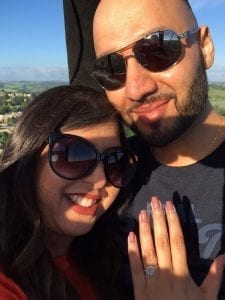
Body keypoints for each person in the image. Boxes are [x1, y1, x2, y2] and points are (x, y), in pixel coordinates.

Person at [92, 0, 225, 298]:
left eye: (159, 50)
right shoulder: (106, 175)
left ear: (205, 48)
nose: (136, 88)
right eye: (112, 68)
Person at [0, 85, 138, 299]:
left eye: (115, 161)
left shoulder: (98, 258)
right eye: (74, 154)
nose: (100, 179)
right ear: (28, 157)